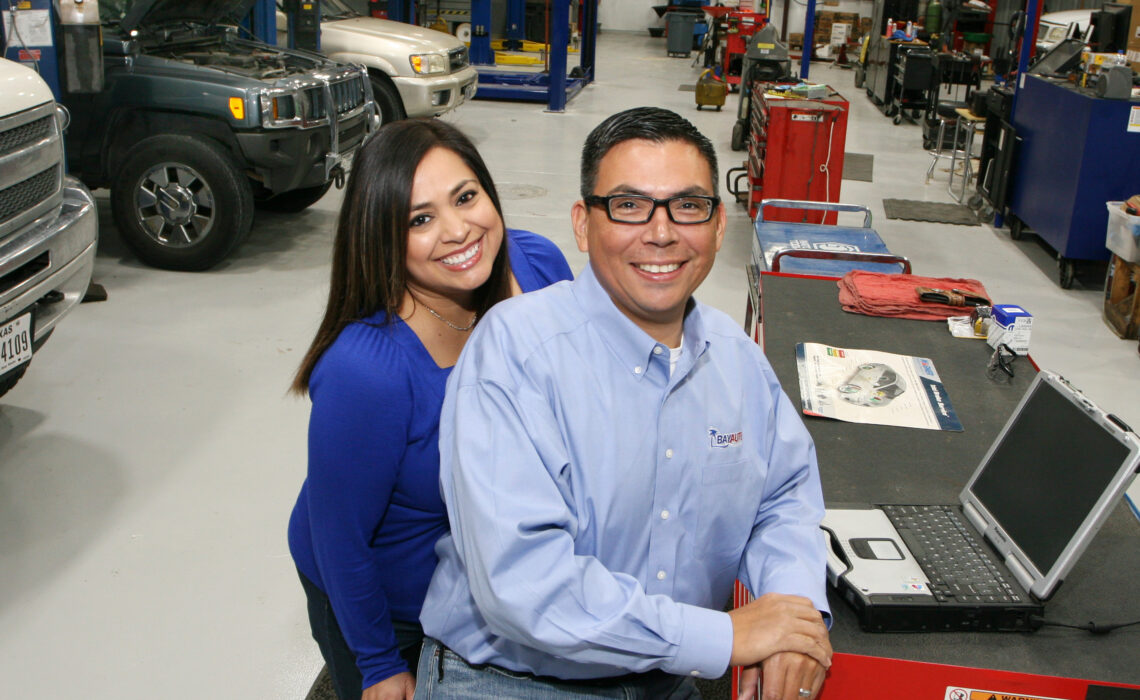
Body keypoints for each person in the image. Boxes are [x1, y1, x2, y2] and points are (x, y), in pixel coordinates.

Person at [415, 107, 832, 700]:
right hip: (513, 680)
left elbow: (784, 498)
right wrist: (723, 637)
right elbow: (525, 583)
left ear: (718, 227)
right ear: (583, 225)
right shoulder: (515, 353)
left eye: (688, 206)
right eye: (630, 206)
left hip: (667, 675)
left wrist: (793, 619)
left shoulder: (736, 359)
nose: (661, 233)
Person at [287, 118, 573, 700]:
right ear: (382, 237)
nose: (458, 230)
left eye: (466, 197)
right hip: (394, 605)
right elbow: (338, 537)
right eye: (420, 219)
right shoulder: (367, 372)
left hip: (491, 578)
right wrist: (378, 665)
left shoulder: (539, 267)